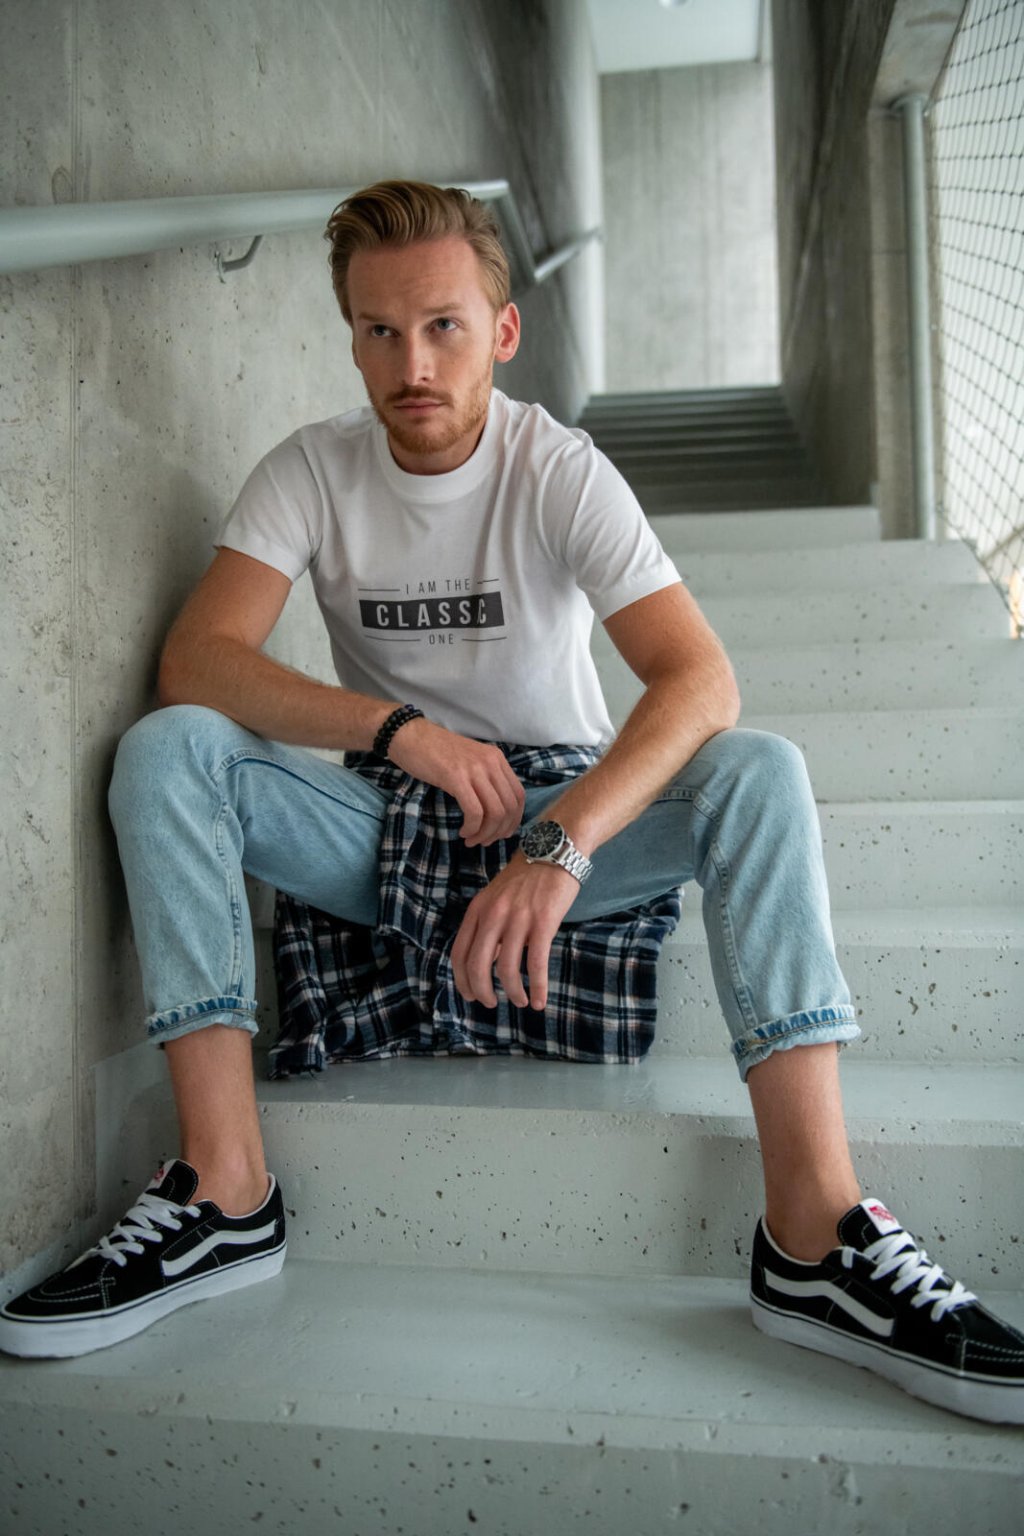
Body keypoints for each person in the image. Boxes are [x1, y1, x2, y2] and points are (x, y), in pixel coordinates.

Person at [2, 181, 1020, 1427]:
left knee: (758, 769)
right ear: (351, 339)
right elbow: (197, 661)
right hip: (389, 817)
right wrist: (396, 730)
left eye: (441, 326)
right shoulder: (311, 470)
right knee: (170, 750)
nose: (411, 366)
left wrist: (563, 838)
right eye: (379, 331)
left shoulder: (558, 469)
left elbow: (699, 680)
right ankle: (225, 1191)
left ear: (501, 330)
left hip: (563, 812)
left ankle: (813, 1237)